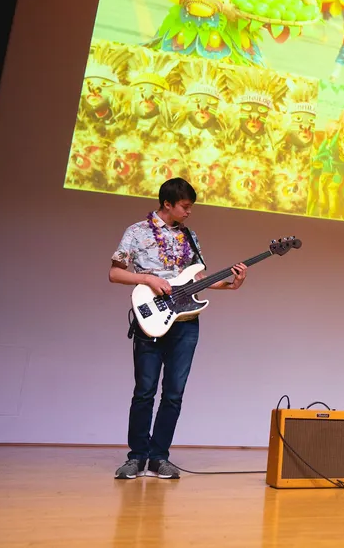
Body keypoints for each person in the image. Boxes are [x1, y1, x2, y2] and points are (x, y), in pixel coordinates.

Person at [109, 177, 247, 479]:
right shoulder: (137, 232)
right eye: (185, 207)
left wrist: (231, 284)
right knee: (144, 391)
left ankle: (159, 457)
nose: (189, 212)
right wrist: (147, 279)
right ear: (167, 204)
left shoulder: (189, 236)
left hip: (185, 323)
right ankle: (136, 457)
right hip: (151, 319)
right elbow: (115, 273)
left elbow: (198, 281)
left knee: (174, 393)